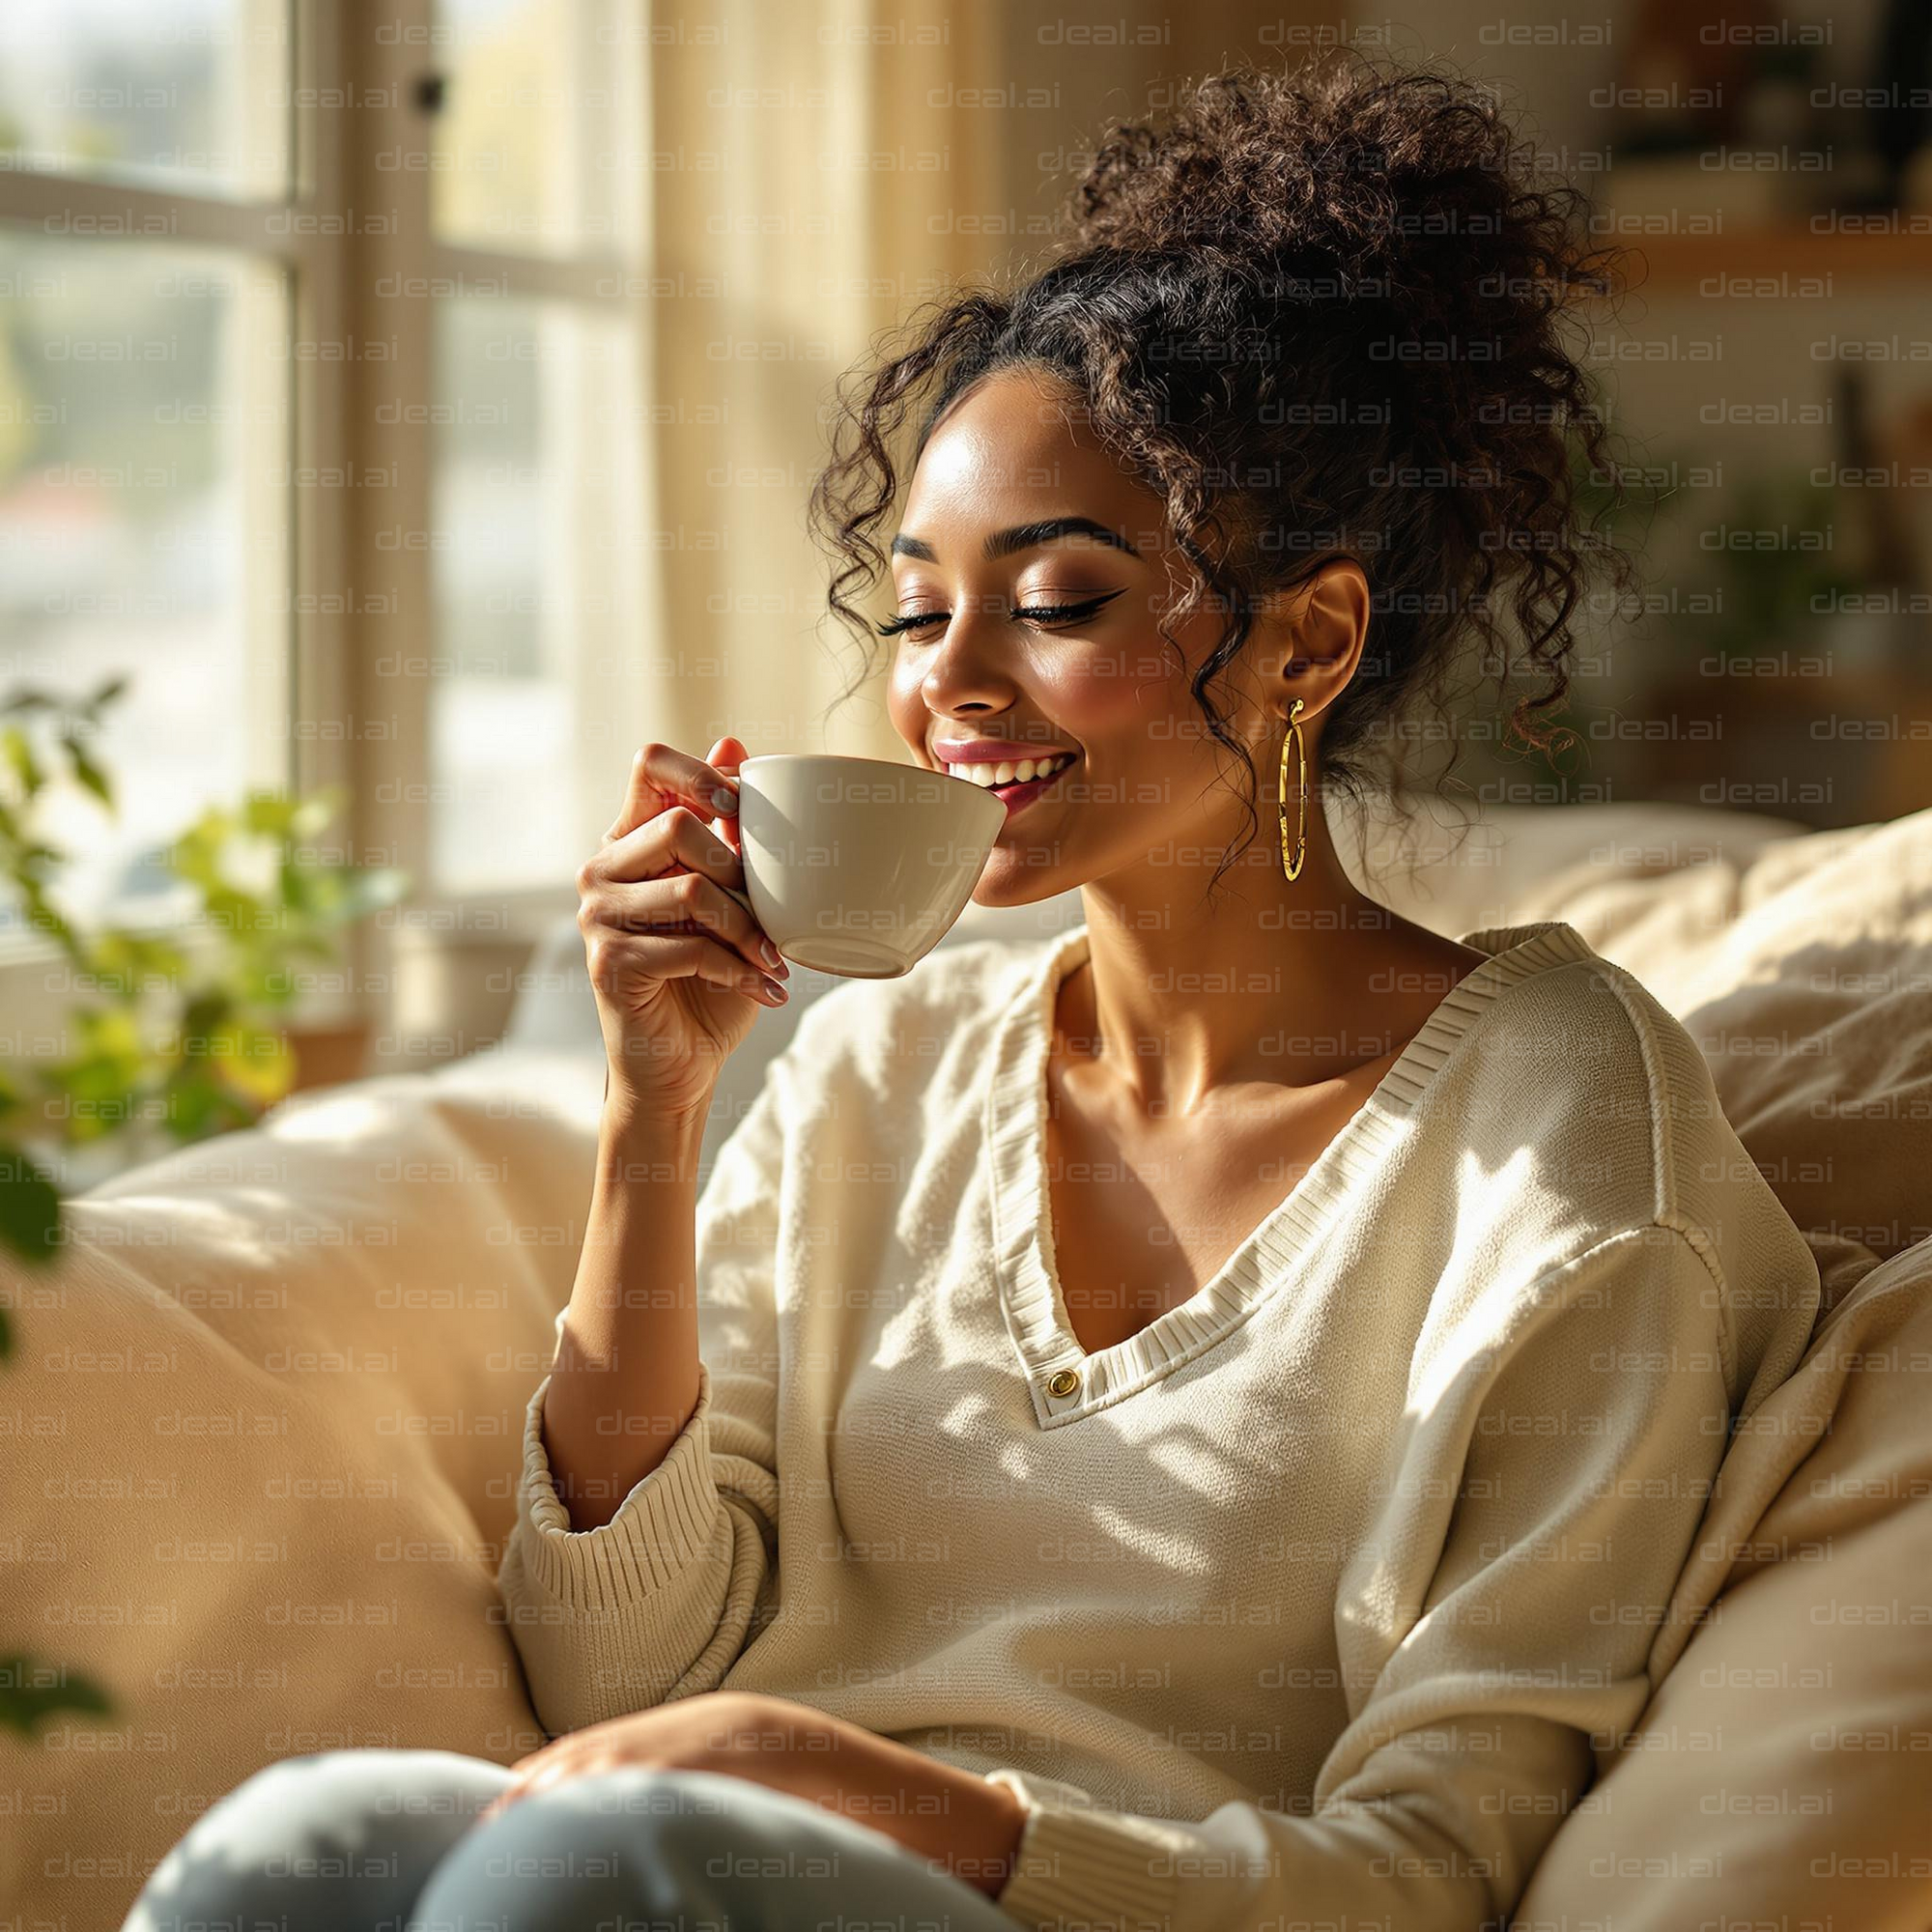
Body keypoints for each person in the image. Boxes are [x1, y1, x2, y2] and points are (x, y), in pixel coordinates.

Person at [123, 46, 1823, 1932]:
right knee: (303, 1838)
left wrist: (854, 1786)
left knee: (598, 1862)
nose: (948, 685)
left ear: (1308, 643)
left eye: (1060, 599)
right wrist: (656, 1105)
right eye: (918, 609)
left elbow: (1429, 1875)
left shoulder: (1561, 1142)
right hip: (683, 1879)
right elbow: (622, 1676)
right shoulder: (879, 1065)